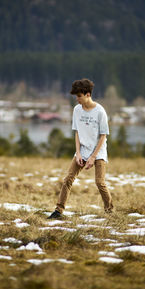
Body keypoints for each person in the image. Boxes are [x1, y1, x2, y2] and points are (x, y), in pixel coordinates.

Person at [48, 78, 113, 219]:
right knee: (68, 179)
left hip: (98, 151)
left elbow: (103, 136)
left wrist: (93, 157)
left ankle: (109, 210)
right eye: (76, 96)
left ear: (87, 94)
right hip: (82, 150)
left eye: (79, 96)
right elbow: (77, 132)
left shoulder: (100, 111)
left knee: (100, 182)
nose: (76, 99)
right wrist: (78, 153)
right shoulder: (77, 110)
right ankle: (58, 211)